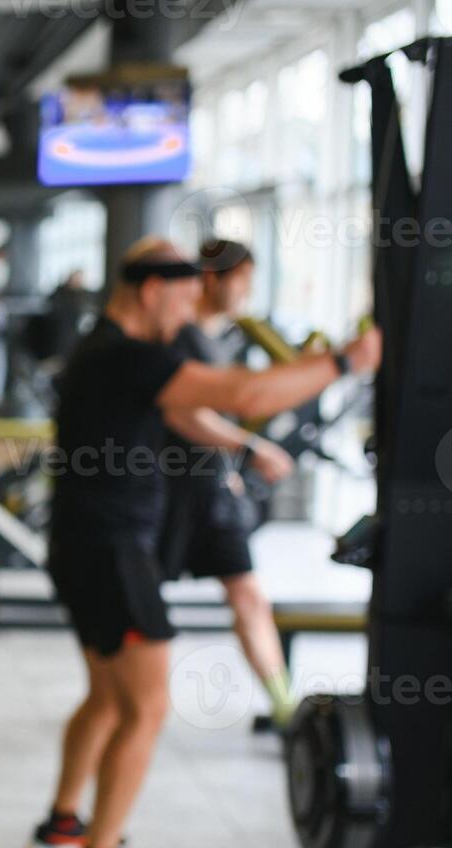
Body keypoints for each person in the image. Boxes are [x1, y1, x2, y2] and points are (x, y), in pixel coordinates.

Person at [23, 237, 380, 848]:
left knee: (106, 698)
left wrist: (245, 443)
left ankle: (63, 825)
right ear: (150, 289)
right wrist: (342, 361)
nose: (189, 312)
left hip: (84, 544)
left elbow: (188, 411)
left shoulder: (102, 348)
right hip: (112, 551)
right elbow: (243, 390)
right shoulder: (127, 355)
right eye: (184, 296)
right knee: (147, 704)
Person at [159, 239, 298, 728]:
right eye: (241, 281)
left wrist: (230, 469)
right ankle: (127, 698)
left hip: (210, 491)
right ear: (213, 279)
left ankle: (285, 706)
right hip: (168, 495)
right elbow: (182, 413)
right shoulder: (179, 338)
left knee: (248, 594)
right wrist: (247, 449)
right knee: (144, 605)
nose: (247, 293)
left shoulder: (215, 339)